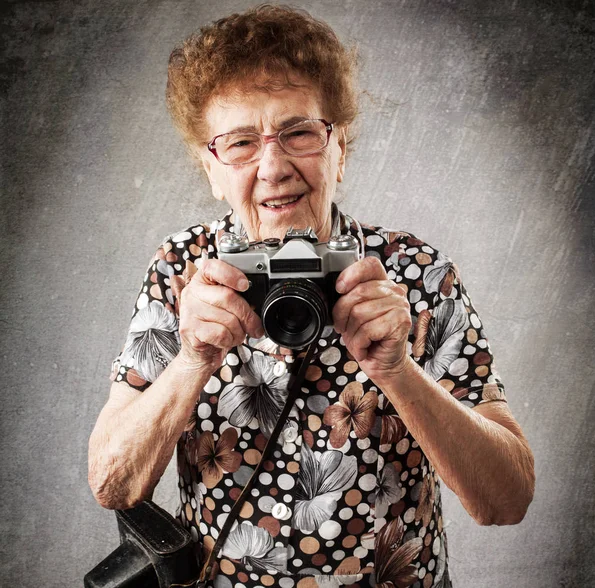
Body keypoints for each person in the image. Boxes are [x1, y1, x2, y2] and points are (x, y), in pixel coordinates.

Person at [88, 5, 535, 587]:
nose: (273, 167)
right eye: (242, 143)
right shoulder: (182, 270)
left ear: (338, 147)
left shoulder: (415, 272)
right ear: (211, 167)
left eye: (298, 133)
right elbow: (113, 485)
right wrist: (192, 360)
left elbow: (507, 499)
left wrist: (399, 372)